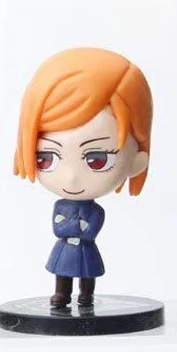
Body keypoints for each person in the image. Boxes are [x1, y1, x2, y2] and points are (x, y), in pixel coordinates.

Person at [14, 48, 153, 308]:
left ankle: (86, 296)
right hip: (66, 248)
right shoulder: (62, 205)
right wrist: (75, 226)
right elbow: (59, 228)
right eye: (46, 158)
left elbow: (89, 229)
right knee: (62, 273)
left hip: (85, 249)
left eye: (97, 159)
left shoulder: (94, 210)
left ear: (137, 161)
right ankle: (62, 295)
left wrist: (73, 226)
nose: (71, 177)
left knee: (87, 274)